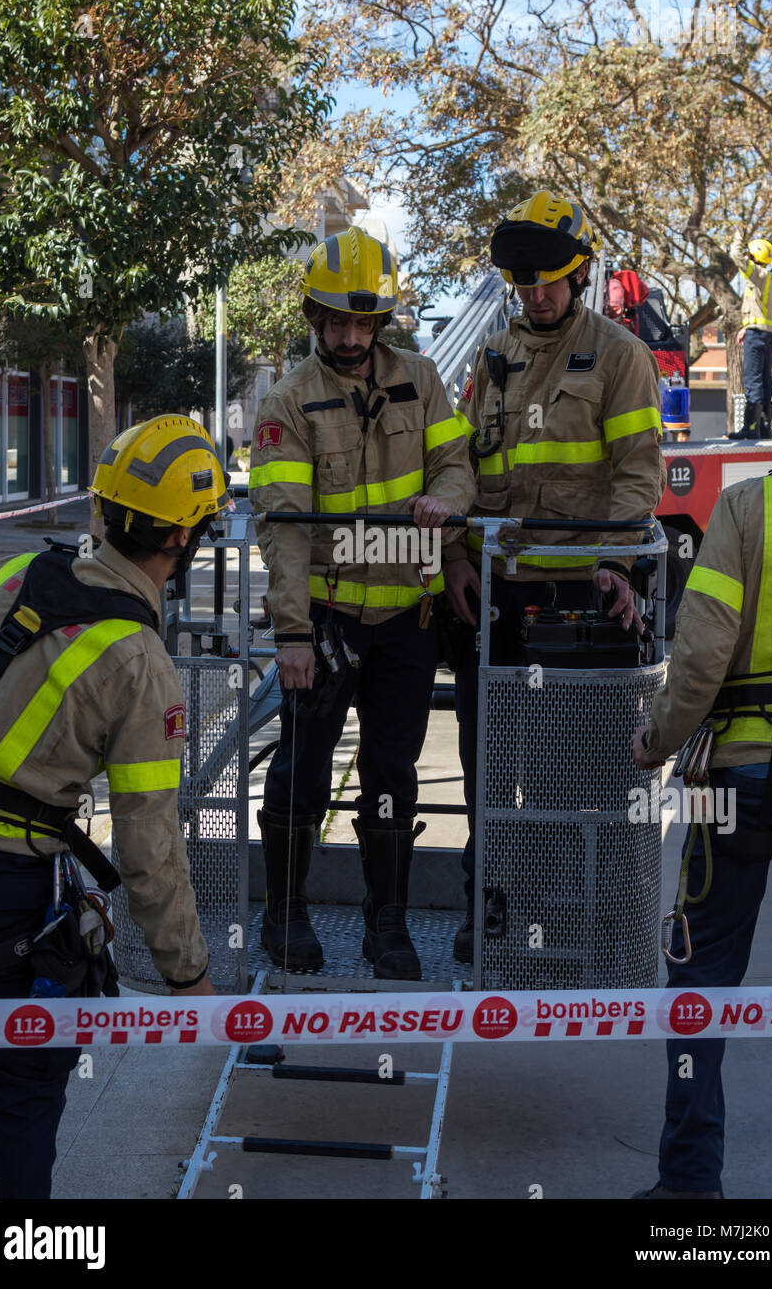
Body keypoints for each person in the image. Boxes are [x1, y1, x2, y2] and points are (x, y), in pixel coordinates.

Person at [0, 414, 227, 1199]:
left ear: (103, 512)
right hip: (3, 892)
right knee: (22, 1089)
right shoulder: (137, 662)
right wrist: (189, 978)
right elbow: (150, 849)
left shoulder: (9, 579)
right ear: (186, 539)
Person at [445, 189, 666, 962]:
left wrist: (613, 562)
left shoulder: (619, 355)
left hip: (583, 598)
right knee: (491, 768)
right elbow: (465, 469)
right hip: (502, 598)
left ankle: (602, 927)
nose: (536, 294)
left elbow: (639, 474)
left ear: (579, 276)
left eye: (550, 280)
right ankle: (496, 916)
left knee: (590, 777)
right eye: (525, 282)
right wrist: (459, 561)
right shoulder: (492, 356)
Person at [249, 226, 474, 981]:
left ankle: (389, 926)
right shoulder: (288, 402)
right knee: (303, 773)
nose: (350, 338)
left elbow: (456, 463)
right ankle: (284, 914)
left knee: (392, 773)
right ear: (314, 318)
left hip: (407, 623)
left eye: (363, 323)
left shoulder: (423, 377)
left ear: (383, 322)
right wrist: (291, 633)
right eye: (337, 322)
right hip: (325, 620)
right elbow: (281, 527)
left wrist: (445, 502)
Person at [632, 345, 772, 1199]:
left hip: (735, 781)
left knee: (700, 985)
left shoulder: (747, 509)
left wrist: (655, 741)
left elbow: (700, 654)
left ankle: (689, 1188)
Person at [729, 233, 772, 440]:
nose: (747, 257)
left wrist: (738, 240)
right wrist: (745, 327)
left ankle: (750, 427)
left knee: (753, 379)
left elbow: (736, 256)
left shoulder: (756, 273)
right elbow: (759, 309)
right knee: (765, 380)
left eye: (750, 253)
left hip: (756, 335)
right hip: (766, 333)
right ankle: (765, 428)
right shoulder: (770, 279)